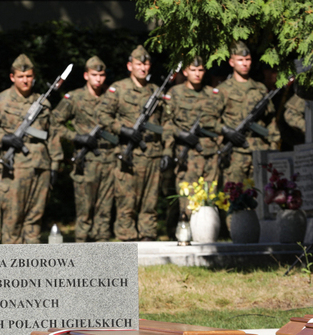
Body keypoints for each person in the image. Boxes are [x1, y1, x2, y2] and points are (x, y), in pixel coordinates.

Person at [0, 54, 61, 244]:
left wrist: (55, 165)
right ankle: (13, 267)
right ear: (12, 77)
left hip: (40, 166)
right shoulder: (0, 101)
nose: (25, 80)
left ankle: (32, 268)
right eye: (21, 76)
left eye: (28, 76)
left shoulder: (43, 103)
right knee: (13, 219)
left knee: (34, 220)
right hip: (15, 168)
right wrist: (6, 138)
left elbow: (53, 135)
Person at [98, 45, 164, 241]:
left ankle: (148, 235)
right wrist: (123, 130)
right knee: (126, 200)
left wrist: (166, 150)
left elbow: (165, 123)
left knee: (150, 200)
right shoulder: (118, 88)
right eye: (138, 64)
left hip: (152, 153)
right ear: (130, 66)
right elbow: (103, 115)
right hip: (128, 154)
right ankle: (127, 238)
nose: (143, 68)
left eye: (146, 64)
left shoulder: (156, 91)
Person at [52, 56, 115, 242]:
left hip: (109, 159)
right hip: (85, 161)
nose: (98, 79)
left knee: (104, 209)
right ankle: (82, 248)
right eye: (94, 75)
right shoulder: (75, 98)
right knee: (84, 209)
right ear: (86, 75)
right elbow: (54, 123)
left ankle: (101, 249)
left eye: (102, 75)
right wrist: (76, 137)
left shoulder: (111, 97)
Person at [162, 57, 223, 217]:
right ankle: (187, 233)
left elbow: (219, 123)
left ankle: (208, 237)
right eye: (193, 70)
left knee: (209, 200)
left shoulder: (213, 94)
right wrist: (178, 136)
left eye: (201, 70)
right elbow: (167, 124)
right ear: (185, 71)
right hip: (186, 156)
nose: (197, 74)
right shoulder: (175, 94)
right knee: (188, 203)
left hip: (210, 155)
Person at [216, 41, 279, 185]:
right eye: (240, 60)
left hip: (260, 151)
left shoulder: (260, 88)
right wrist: (226, 131)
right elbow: (212, 119)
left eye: (247, 60)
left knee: (262, 196)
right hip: (236, 154)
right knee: (235, 198)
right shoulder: (223, 90)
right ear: (231, 62)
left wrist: (274, 147)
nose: (244, 63)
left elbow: (271, 121)